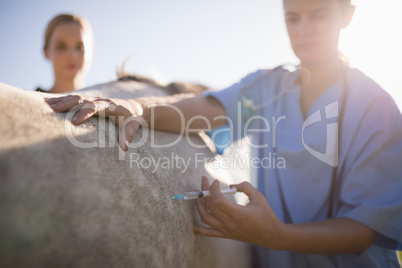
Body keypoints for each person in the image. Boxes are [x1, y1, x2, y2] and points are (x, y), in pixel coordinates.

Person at [44, 0, 402, 267]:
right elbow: (207, 110)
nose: (303, 28)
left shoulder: (376, 109)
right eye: (293, 17)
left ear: (347, 14)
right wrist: (138, 109)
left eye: (319, 13)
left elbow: (364, 229)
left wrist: (275, 236)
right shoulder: (269, 87)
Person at [36, 14, 94, 93]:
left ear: (91, 51)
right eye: (61, 47)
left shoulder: (110, 101)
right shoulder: (24, 102)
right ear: (46, 52)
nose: (72, 55)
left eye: (79, 47)